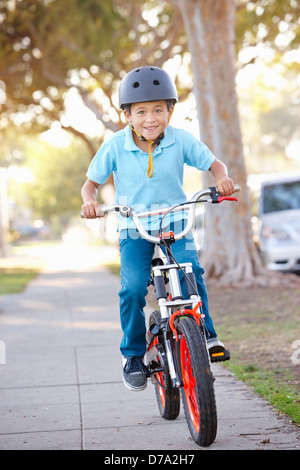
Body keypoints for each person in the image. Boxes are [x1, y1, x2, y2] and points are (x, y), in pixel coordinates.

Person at [81, 66, 236, 392]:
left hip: (176, 221)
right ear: (127, 115)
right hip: (133, 226)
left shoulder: (181, 140)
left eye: (157, 110)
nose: (150, 118)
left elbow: (214, 164)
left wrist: (220, 178)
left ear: (170, 111)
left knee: (191, 269)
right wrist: (89, 202)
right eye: (140, 112)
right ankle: (134, 355)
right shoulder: (114, 146)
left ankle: (206, 335)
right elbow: (90, 184)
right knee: (134, 288)